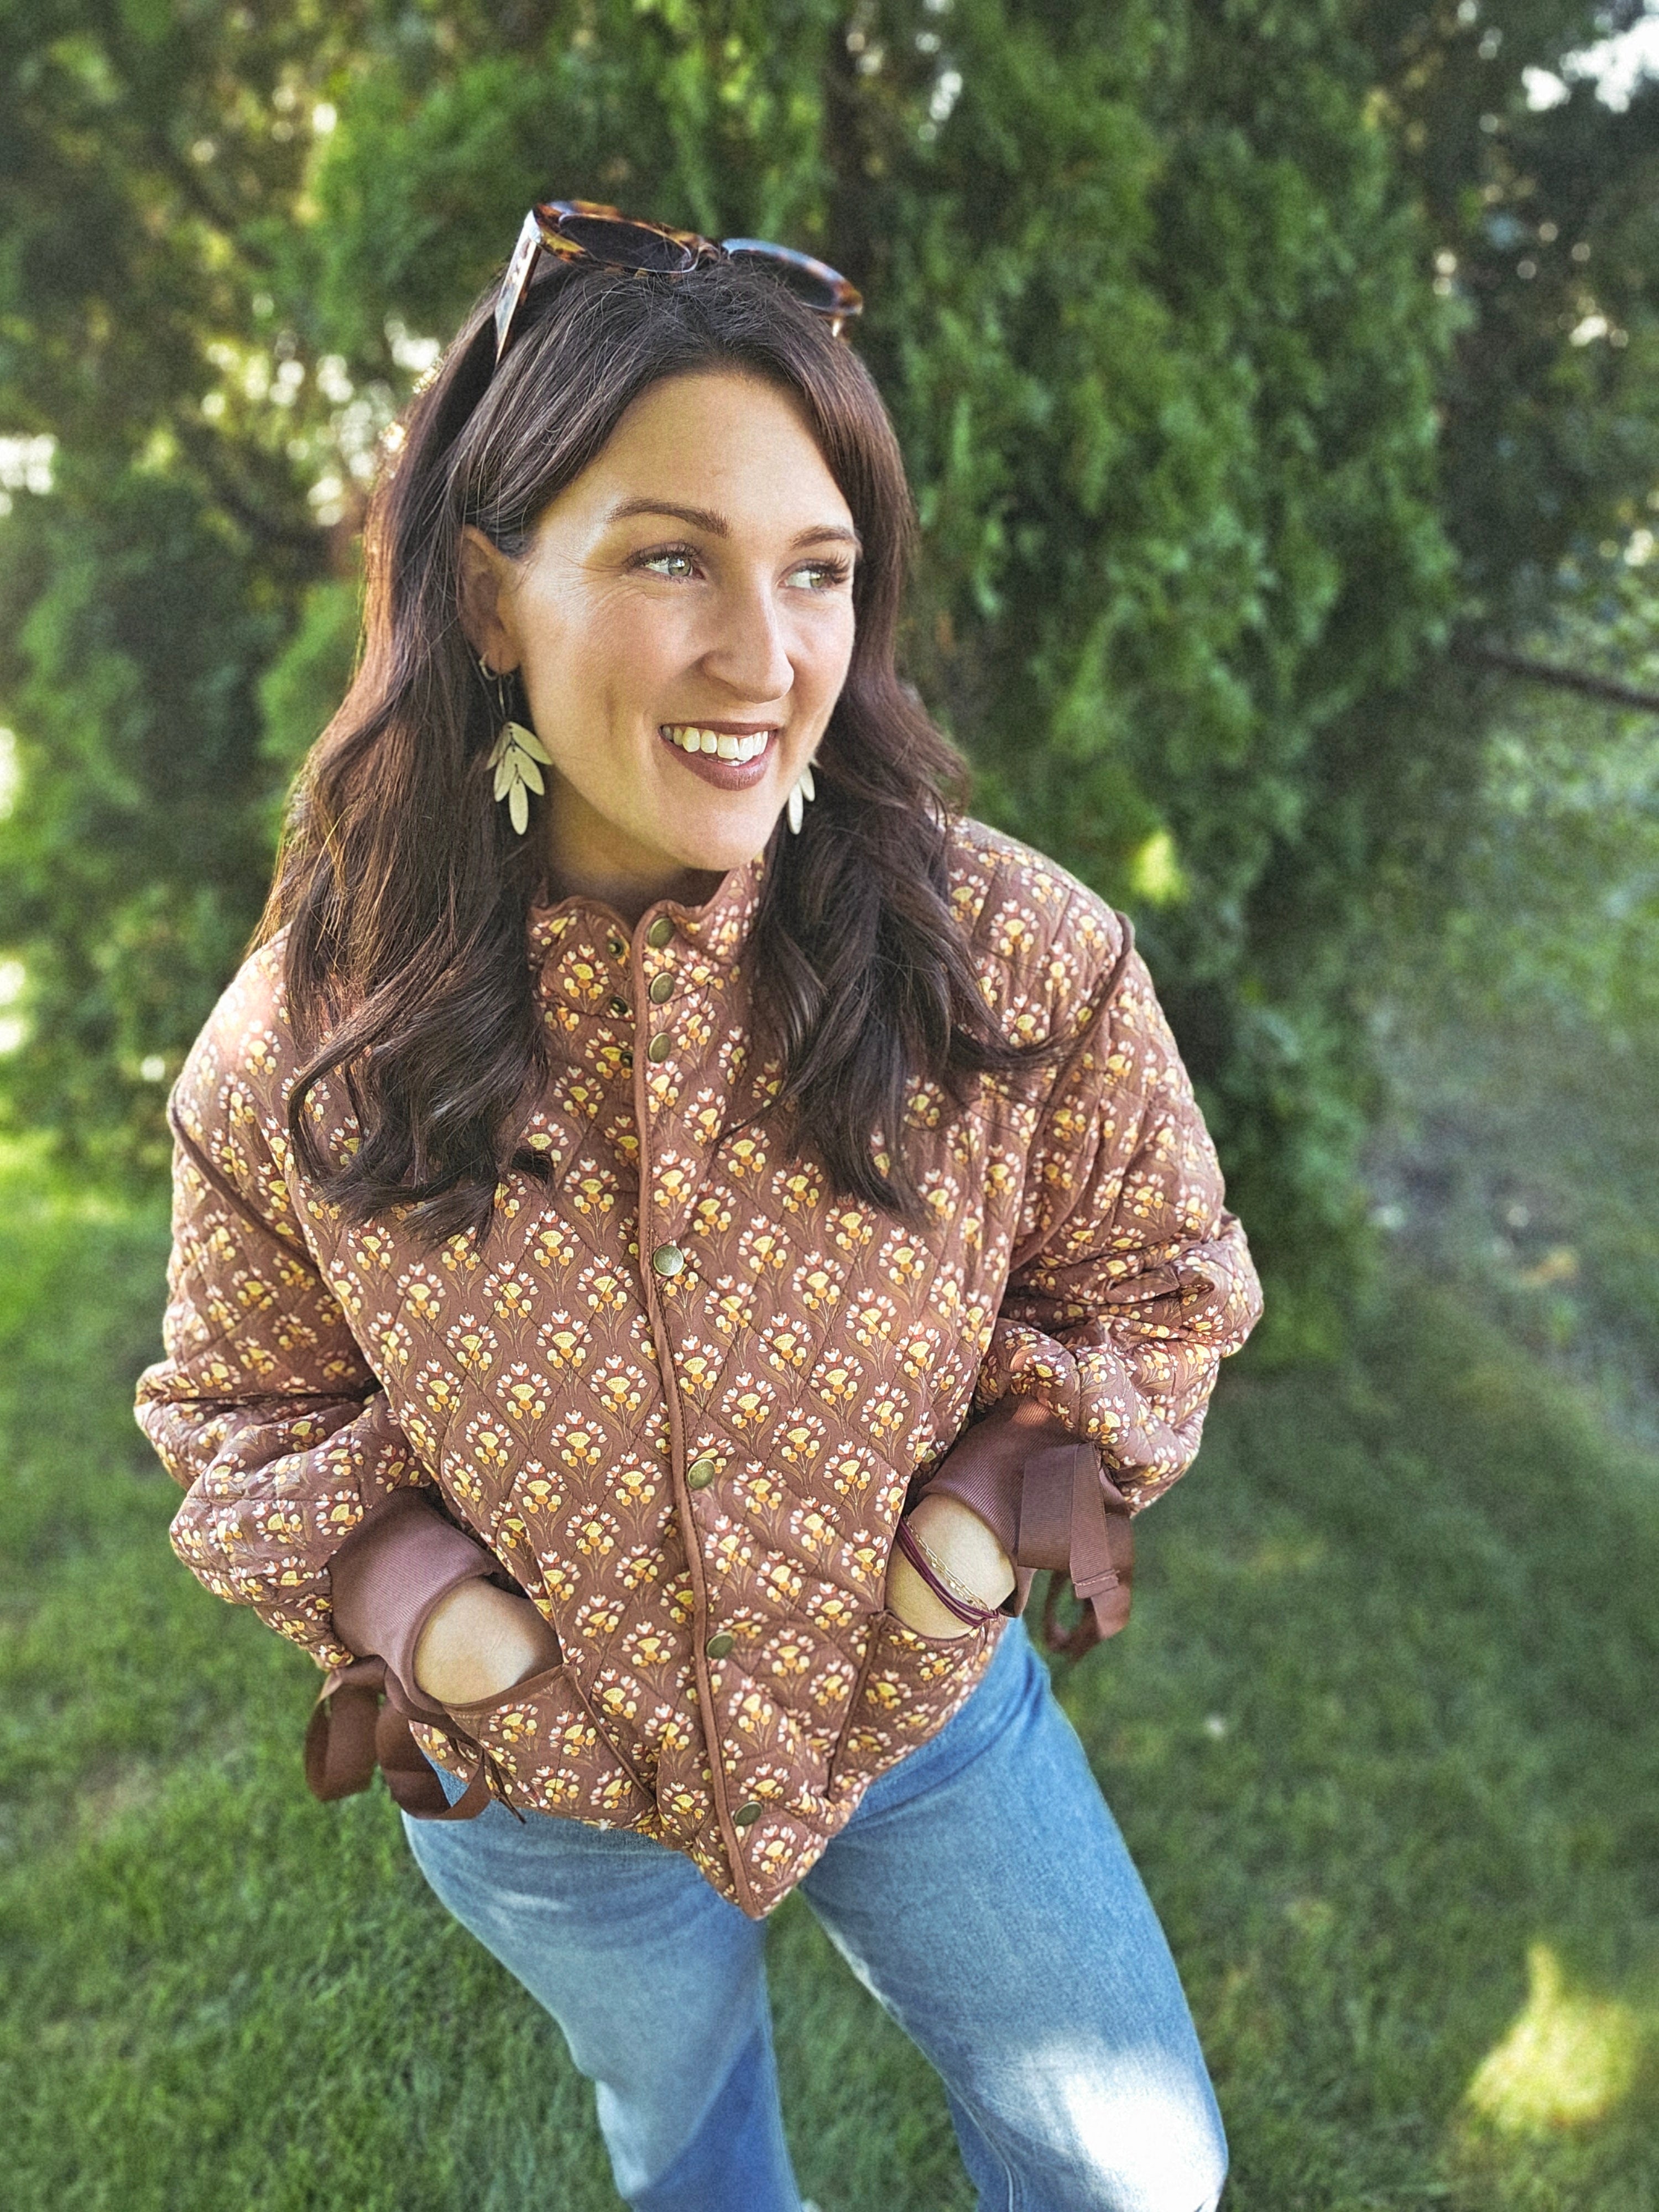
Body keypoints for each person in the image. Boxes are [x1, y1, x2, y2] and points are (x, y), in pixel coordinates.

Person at [135, 200, 1262, 2212]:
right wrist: (441, 1627)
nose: (767, 659)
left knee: (1138, 2173)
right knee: (692, 2158)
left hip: (925, 1717)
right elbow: (247, 1412)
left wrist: (971, 1530)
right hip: (549, 1795)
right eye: (673, 558)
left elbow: (1154, 1278)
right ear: (490, 599)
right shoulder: (307, 1047)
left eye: (817, 570)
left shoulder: (1012, 958)